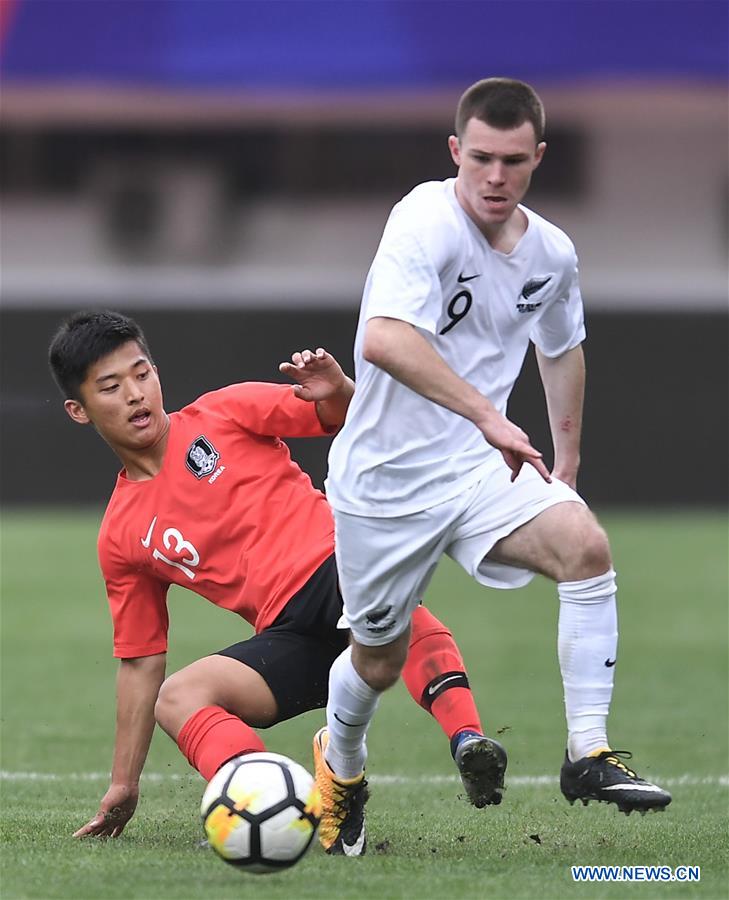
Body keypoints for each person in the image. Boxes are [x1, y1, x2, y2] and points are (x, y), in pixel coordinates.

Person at [315, 76, 671, 848]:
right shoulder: (423, 217)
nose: (495, 176)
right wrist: (487, 413)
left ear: (537, 156)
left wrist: (566, 466)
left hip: (481, 472)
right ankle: (340, 765)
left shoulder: (551, 252)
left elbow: (562, 345)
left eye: (513, 160)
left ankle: (587, 751)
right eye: (480, 158)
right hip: (383, 484)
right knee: (375, 663)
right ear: (455, 152)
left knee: (584, 547)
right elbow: (381, 340)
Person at [48, 309, 501, 856]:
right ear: (79, 410)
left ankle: (468, 739)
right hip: (290, 631)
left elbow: (343, 417)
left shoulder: (221, 412)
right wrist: (124, 783)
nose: (136, 395)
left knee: (378, 598)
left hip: (339, 563)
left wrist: (336, 389)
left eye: (142, 374)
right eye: (111, 387)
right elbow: (142, 659)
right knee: (177, 699)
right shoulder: (121, 536)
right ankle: (288, 802)